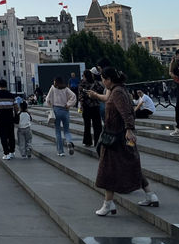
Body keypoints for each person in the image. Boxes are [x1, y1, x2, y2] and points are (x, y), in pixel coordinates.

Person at [89, 67, 159, 215]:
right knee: (132, 165)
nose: (102, 82)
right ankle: (150, 195)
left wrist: (129, 129)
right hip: (119, 135)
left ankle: (108, 204)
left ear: (109, 79)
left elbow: (127, 112)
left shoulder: (117, 92)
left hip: (117, 137)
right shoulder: (120, 90)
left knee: (107, 169)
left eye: (103, 79)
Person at [44, 77, 76, 157]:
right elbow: (73, 96)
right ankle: (69, 142)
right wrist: (68, 104)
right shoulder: (66, 89)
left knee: (58, 131)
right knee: (67, 130)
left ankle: (60, 151)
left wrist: (51, 105)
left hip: (56, 110)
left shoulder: (53, 88)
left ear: (55, 82)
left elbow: (47, 99)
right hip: (65, 110)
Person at [78, 69, 103, 147]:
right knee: (97, 125)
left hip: (86, 106)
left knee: (87, 125)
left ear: (84, 76)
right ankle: (97, 142)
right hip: (95, 106)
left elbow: (81, 95)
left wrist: (81, 105)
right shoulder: (95, 83)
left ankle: (87, 141)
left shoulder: (82, 83)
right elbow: (101, 90)